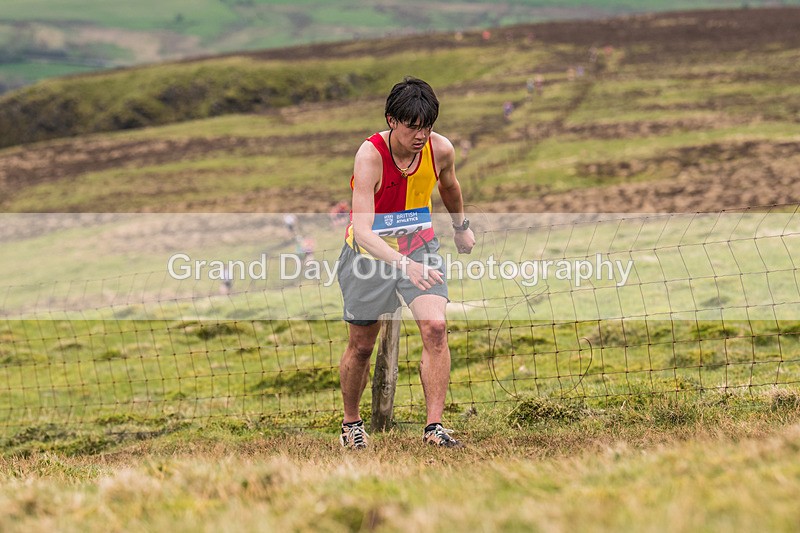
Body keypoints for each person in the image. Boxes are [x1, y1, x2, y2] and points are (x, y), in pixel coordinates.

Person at [336, 76, 475, 449]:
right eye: (412, 126)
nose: (420, 135)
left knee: (435, 328)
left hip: (420, 247)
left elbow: (450, 186)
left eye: (426, 126)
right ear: (391, 119)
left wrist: (461, 227)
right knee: (362, 346)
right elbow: (363, 231)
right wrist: (403, 265)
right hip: (370, 255)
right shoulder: (370, 156)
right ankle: (351, 424)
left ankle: (434, 428)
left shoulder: (439, 149)